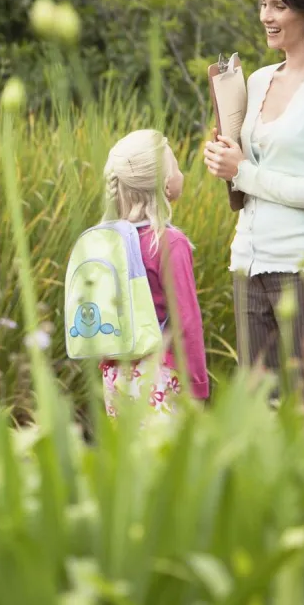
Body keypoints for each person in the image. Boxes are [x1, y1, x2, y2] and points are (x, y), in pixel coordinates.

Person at [204, 0, 304, 404]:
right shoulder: (261, 78)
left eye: (279, 6)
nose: (266, 17)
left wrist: (244, 172)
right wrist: (226, 158)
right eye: (263, 5)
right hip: (249, 263)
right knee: (259, 422)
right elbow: (253, 168)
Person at [98, 130, 210, 416]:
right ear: (165, 184)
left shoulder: (107, 240)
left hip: (115, 374)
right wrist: (198, 386)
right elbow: (187, 320)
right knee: (165, 458)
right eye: (176, 167)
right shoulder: (169, 243)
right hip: (159, 377)